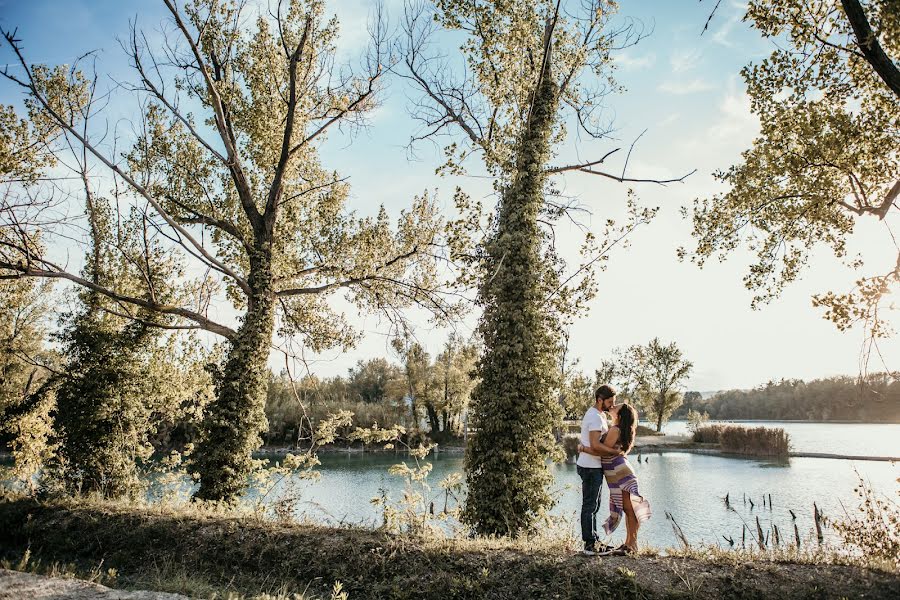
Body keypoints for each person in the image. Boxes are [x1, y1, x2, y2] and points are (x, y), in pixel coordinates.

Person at [579, 402, 651, 556]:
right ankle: (629, 544)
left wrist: (583, 448)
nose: (613, 406)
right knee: (629, 509)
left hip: (620, 473)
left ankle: (632, 545)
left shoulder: (614, 430)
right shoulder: (618, 429)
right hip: (620, 471)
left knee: (629, 509)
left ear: (620, 415)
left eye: (616, 407)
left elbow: (601, 452)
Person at [577, 385, 621, 556]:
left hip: (594, 466)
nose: (611, 406)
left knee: (594, 506)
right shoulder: (595, 417)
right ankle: (589, 545)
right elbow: (595, 445)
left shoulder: (600, 415)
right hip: (589, 467)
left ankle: (594, 541)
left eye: (613, 403)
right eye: (609, 402)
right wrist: (615, 452)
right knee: (589, 506)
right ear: (599, 399)